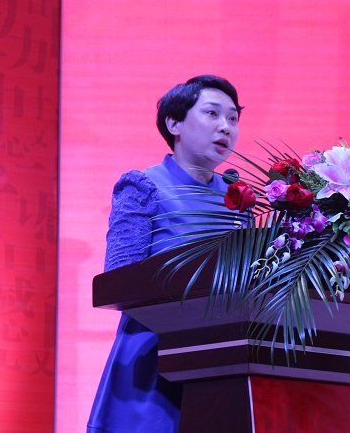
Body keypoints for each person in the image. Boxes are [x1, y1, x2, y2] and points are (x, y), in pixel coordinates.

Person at [87, 75, 243, 433]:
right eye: (212, 113)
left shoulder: (239, 197)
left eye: (233, 118)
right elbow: (119, 280)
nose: (225, 127)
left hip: (224, 362)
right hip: (155, 357)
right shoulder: (143, 185)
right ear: (174, 124)